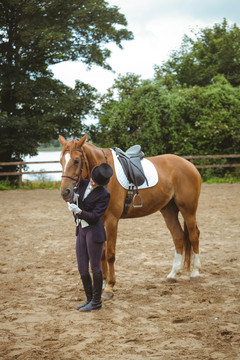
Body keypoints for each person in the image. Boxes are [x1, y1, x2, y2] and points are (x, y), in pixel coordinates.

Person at [68, 163, 113, 312]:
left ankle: (96, 301)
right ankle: (88, 299)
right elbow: (75, 197)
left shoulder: (104, 194)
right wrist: (72, 200)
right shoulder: (84, 183)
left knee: (95, 267)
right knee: (82, 268)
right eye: (93, 180)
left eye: (96, 182)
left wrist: (79, 211)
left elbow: (95, 216)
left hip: (94, 231)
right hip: (81, 229)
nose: (93, 183)